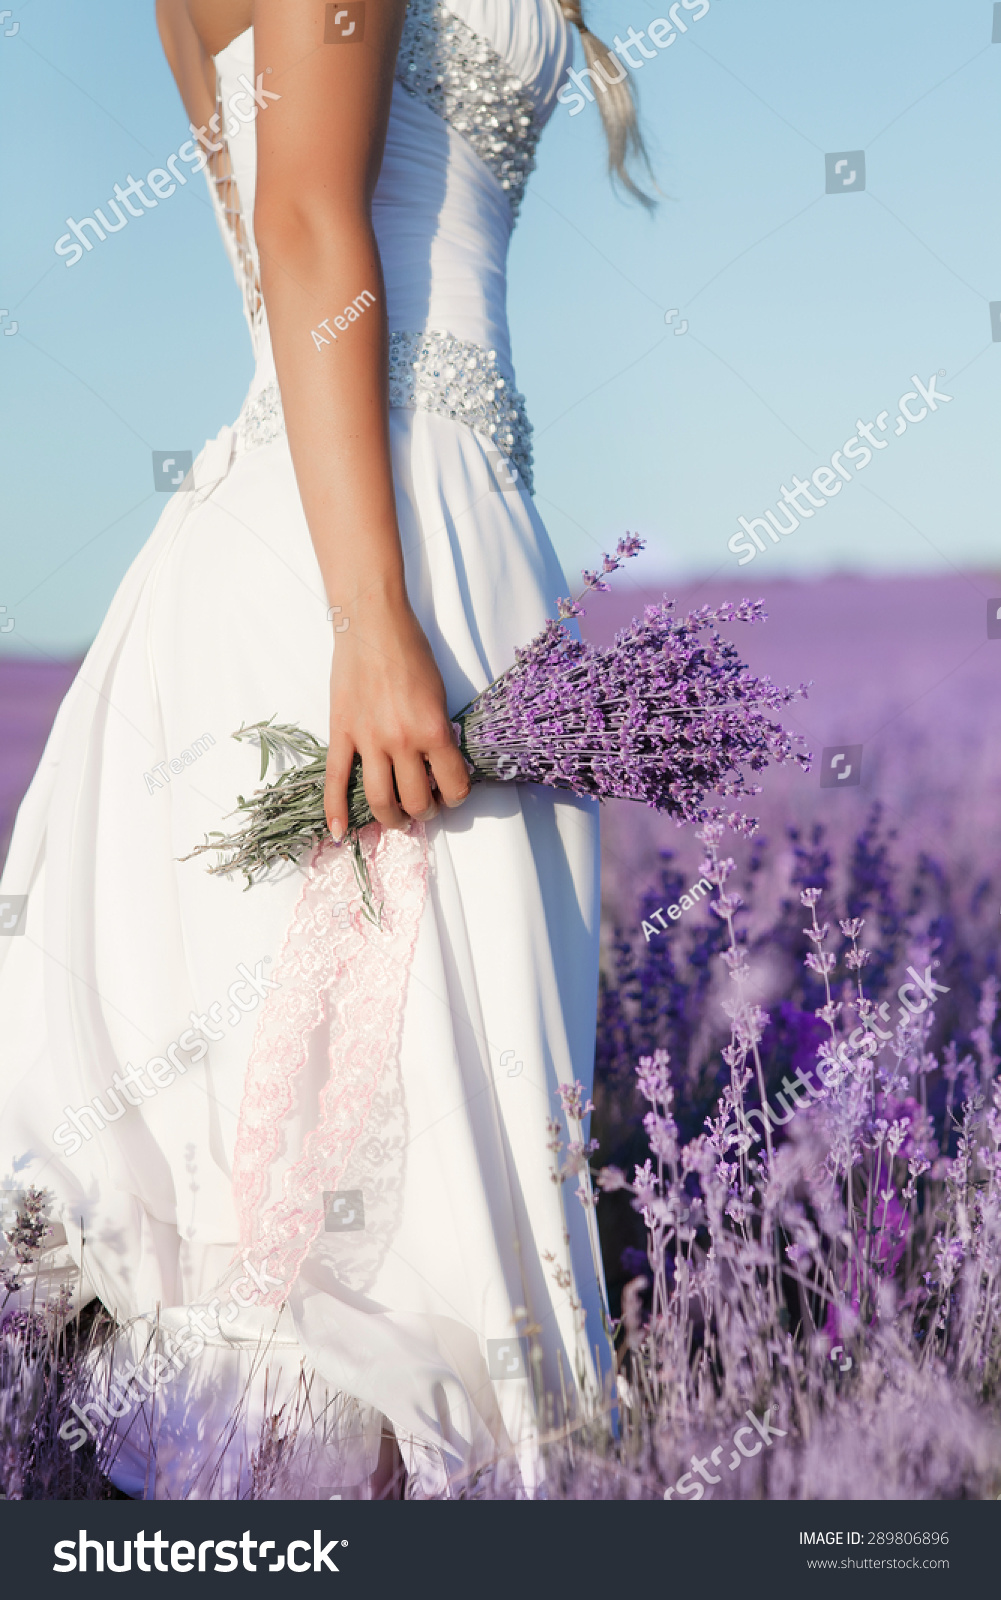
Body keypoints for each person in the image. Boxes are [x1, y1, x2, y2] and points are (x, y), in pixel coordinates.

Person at [0, 0, 648, 1498]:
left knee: (366, 1157)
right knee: (351, 1188)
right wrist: (369, 624)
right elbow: (297, 218)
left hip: (397, 535)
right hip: (367, 558)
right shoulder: (371, 601)